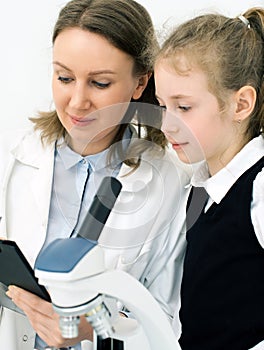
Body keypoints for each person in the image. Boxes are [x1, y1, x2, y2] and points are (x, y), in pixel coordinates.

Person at [0, 0, 192, 349]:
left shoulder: (172, 181)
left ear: (139, 85)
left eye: (100, 83)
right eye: (64, 78)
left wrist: (96, 328)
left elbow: (167, 319)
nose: (76, 102)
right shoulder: (14, 157)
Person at [154, 6, 264, 350]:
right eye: (162, 106)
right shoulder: (200, 187)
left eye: (183, 107)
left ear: (240, 104)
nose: (167, 124)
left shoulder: (259, 187)